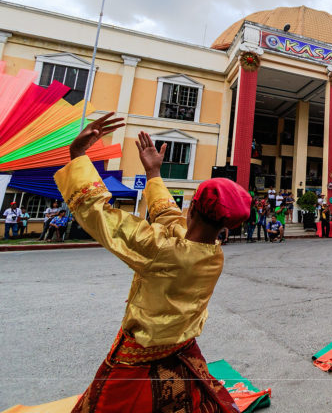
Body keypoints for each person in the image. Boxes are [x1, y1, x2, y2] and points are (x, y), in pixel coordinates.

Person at [54, 114, 249, 412]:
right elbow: (170, 217)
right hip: (181, 347)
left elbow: (99, 215)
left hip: (139, 355)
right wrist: (154, 174)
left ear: (193, 208)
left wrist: (77, 156)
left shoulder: (162, 249)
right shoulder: (212, 252)